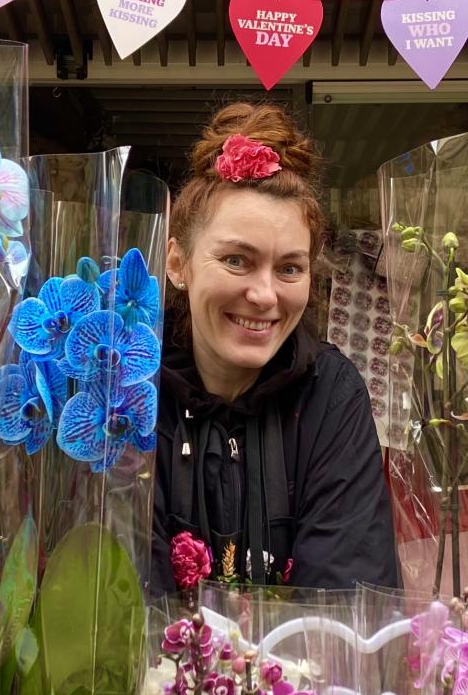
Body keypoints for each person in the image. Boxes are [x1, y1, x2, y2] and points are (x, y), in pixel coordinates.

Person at [150, 103, 400, 593]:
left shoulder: (329, 395)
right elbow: (114, 607)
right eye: (237, 260)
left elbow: (345, 606)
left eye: (289, 268)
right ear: (178, 263)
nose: (265, 296)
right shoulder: (131, 394)